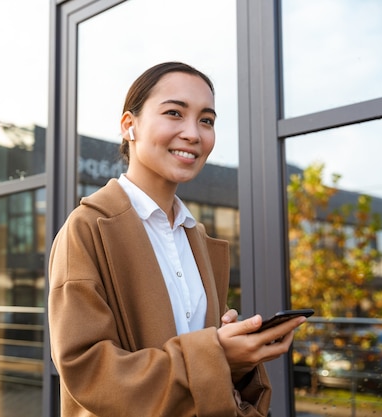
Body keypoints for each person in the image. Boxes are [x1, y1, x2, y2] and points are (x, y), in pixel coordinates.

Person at [47, 61, 307, 416]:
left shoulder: (198, 239)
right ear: (129, 126)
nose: (193, 133)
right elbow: (87, 371)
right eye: (174, 113)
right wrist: (214, 352)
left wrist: (235, 352)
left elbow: (206, 364)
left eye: (206, 120)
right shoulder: (87, 228)